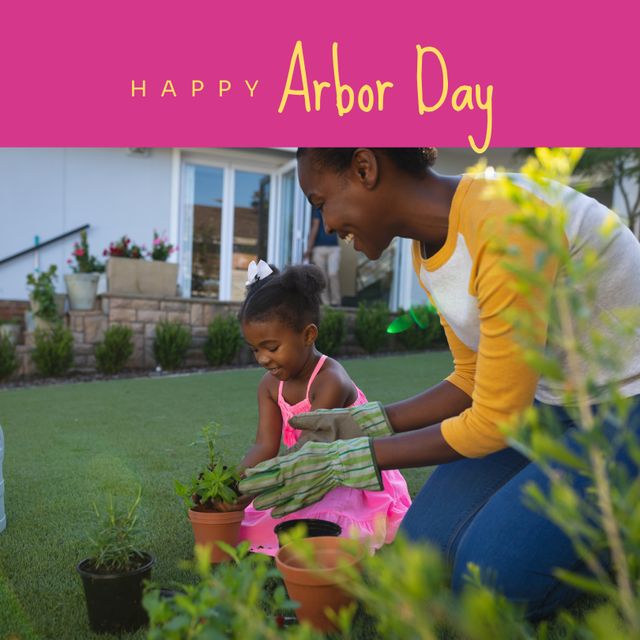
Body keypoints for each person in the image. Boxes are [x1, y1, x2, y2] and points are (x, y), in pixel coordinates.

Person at [240, 148, 640, 618]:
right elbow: (471, 379)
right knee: (420, 559)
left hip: (624, 408)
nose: (326, 223)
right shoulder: (426, 251)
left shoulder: (503, 220)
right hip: (548, 406)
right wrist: (363, 423)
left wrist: (350, 459)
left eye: (321, 200)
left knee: (488, 585)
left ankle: (616, 538)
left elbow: (494, 420)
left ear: (365, 169)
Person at [235, 259, 411, 556]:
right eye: (255, 349)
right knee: (250, 521)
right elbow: (264, 445)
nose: (263, 358)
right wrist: (235, 484)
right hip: (303, 471)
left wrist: (262, 484)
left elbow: (310, 449)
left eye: (271, 347)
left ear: (308, 335)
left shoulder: (330, 381)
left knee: (320, 526)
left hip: (346, 475)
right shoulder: (269, 385)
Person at [304, 206, 342, 306]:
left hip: (332, 247)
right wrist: (310, 247)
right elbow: (315, 226)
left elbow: (315, 227)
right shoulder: (320, 208)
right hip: (320, 248)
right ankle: (330, 304)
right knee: (329, 275)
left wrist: (309, 248)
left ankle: (333, 303)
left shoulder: (326, 207)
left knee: (328, 275)